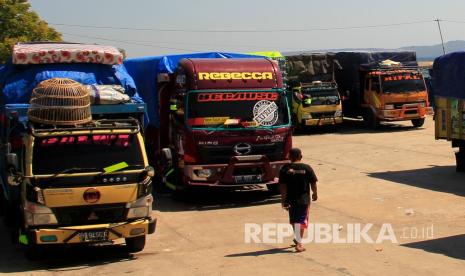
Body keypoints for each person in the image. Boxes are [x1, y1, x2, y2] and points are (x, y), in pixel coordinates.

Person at [279, 148, 318, 252]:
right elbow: (313, 183)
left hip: (290, 200)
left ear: (289, 157)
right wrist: (315, 193)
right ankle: (299, 244)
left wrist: (283, 200)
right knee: (301, 221)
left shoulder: (284, 169)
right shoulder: (307, 168)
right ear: (301, 156)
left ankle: (297, 238)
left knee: (294, 220)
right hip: (303, 200)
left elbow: (283, 186)